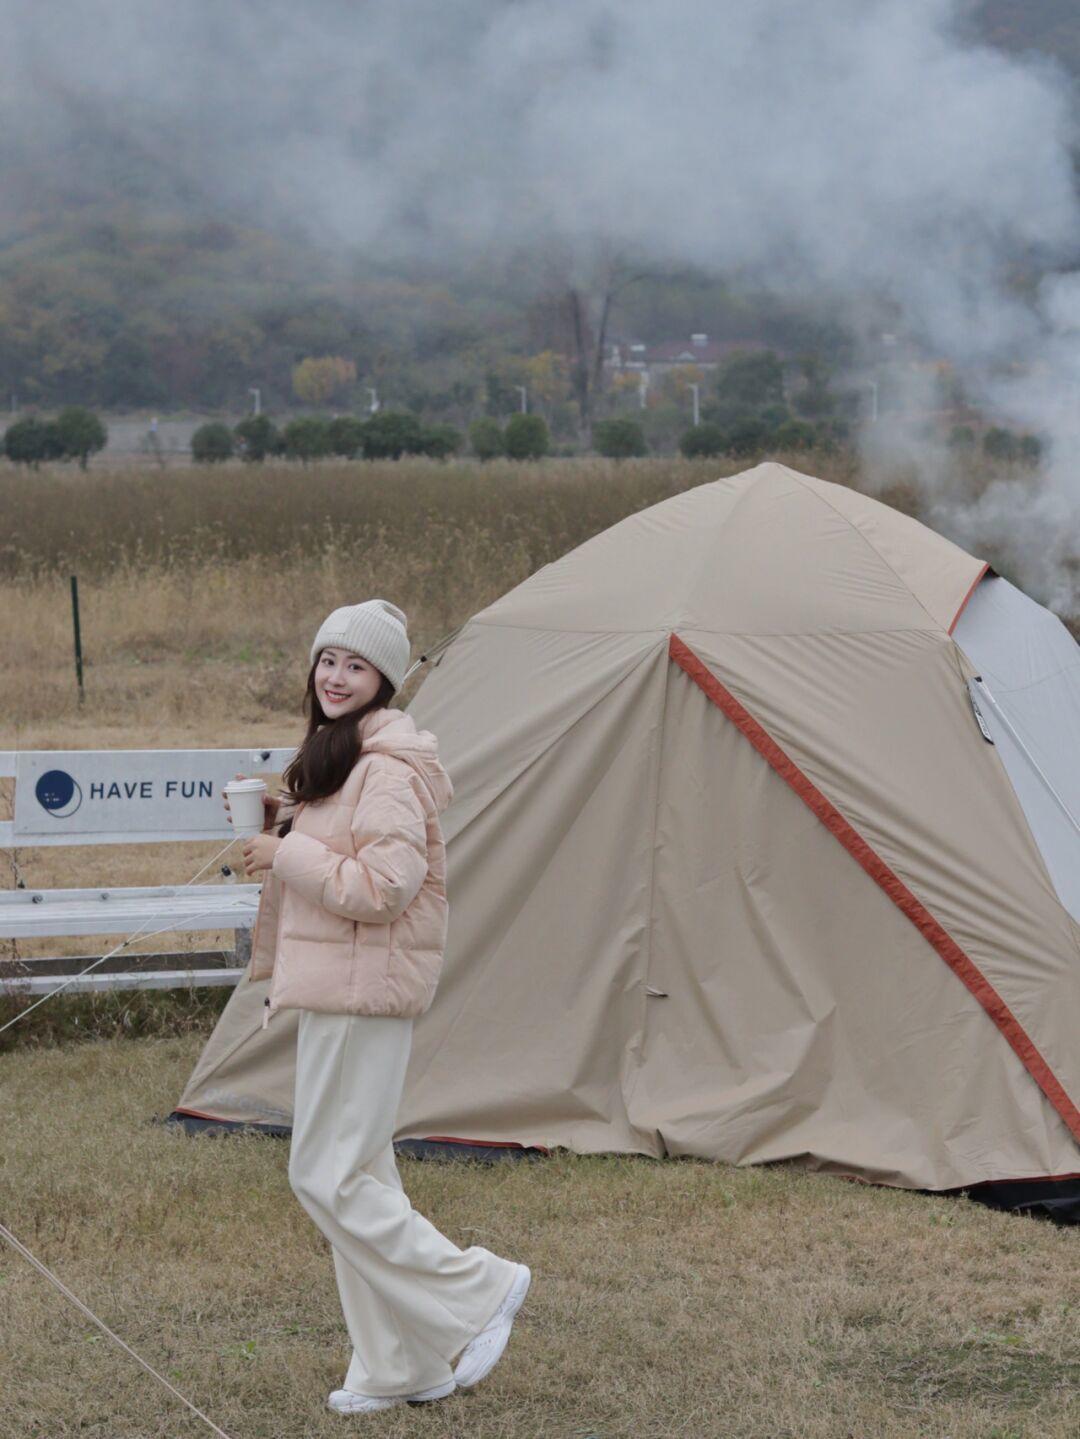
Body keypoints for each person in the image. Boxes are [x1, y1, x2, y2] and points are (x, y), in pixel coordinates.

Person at [225, 598, 530, 1415]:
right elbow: (339, 861)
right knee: (359, 1174)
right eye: (328, 659)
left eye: (355, 666)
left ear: (384, 680)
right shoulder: (340, 756)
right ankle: (398, 1363)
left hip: (365, 994)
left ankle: (477, 1288)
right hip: (338, 989)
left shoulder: (388, 768)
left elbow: (385, 889)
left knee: (322, 1172)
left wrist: (287, 853)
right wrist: (284, 829)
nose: (335, 676)